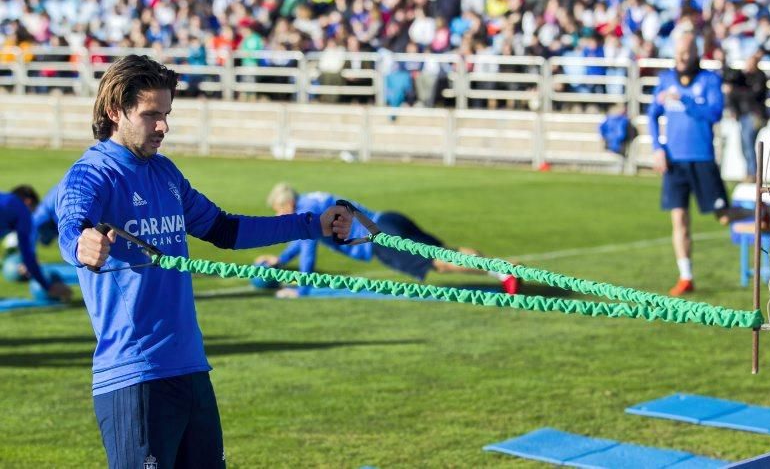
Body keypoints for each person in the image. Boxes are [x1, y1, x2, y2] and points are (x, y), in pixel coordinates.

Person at [55, 55, 353, 469]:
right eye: (151, 115)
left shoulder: (165, 173)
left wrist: (312, 224)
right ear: (114, 112)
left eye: (167, 114)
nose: (163, 126)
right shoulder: (91, 174)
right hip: (135, 377)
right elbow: (72, 223)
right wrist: (81, 245)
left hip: (191, 370)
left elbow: (225, 230)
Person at [254, 183, 520, 298]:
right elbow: (302, 242)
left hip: (379, 239)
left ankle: (502, 271)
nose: (279, 215)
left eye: (278, 210)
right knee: (444, 252)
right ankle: (503, 267)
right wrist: (281, 259)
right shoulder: (311, 200)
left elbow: (308, 251)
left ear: (287, 203)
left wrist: (302, 289)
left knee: (440, 262)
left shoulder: (304, 213)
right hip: (388, 219)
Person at [648, 31, 751, 297]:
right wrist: (658, 149)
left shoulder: (709, 80)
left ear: (696, 53)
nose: (682, 57)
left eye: (687, 52)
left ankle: (760, 213)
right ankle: (686, 276)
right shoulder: (666, 79)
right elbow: (653, 114)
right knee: (679, 219)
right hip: (674, 162)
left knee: (723, 216)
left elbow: (714, 114)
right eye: (678, 52)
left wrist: (684, 100)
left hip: (702, 158)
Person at [0, 185, 72, 301]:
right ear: (28, 202)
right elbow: (28, 255)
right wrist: (48, 286)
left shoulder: (8, 203)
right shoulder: (22, 211)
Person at [723, 49, 768, 181]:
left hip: (755, 115)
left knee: (748, 144)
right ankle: (750, 172)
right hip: (744, 116)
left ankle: (753, 174)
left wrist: (735, 90)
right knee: (744, 145)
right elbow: (729, 77)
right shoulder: (743, 77)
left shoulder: (760, 77)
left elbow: (753, 95)